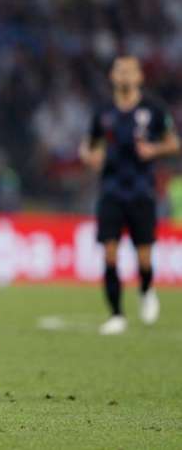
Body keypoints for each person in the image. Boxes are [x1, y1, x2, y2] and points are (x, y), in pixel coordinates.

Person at [79, 55, 180, 335]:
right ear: (112, 76)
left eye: (130, 71)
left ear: (139, 77)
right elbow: (88, 145)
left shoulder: (154, 109)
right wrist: (91, 156)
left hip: (142, 191)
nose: (124, 75)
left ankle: (146, 290)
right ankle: (116, 314)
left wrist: (154, 150)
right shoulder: (103, 111)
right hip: (110, 190)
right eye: (119, 70)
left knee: (144, 256)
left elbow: (174, 143)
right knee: (110, 254)